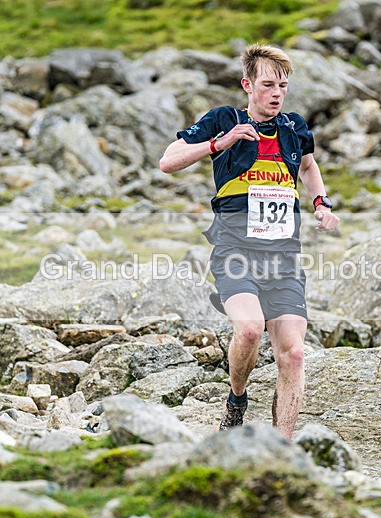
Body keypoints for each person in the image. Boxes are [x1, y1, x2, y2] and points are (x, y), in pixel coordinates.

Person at [159, 44, 339, 439]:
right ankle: (237, 398)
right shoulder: (223, 120)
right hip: (235, 252)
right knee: (251, 330)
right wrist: (219, 143)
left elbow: (308, 165)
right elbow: (168, 161)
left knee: (292, 353)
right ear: (248, 85)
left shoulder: (294, 128)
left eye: (283, 86)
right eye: (268, 84)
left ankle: (281, 447)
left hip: (284, 260)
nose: (276, 93)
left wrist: (320, 203)